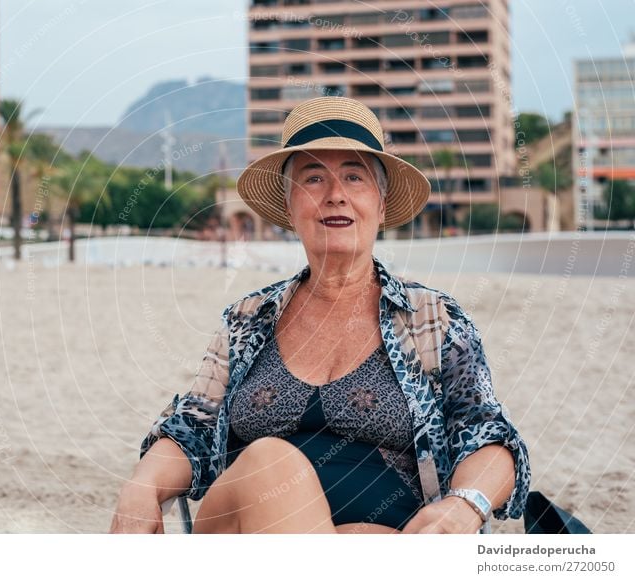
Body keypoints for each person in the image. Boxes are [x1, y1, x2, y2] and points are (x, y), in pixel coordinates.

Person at [110, 97, 531, 534]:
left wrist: (464, 505)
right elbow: (192, 428)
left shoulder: (434, 319)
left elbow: (488, 435)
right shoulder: (248, 319)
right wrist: (141, 485)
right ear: (290, 207)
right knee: (270, 463)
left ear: (382, 206)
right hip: (245, 533)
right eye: (314, 178)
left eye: (355, 176)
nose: (335, 196)